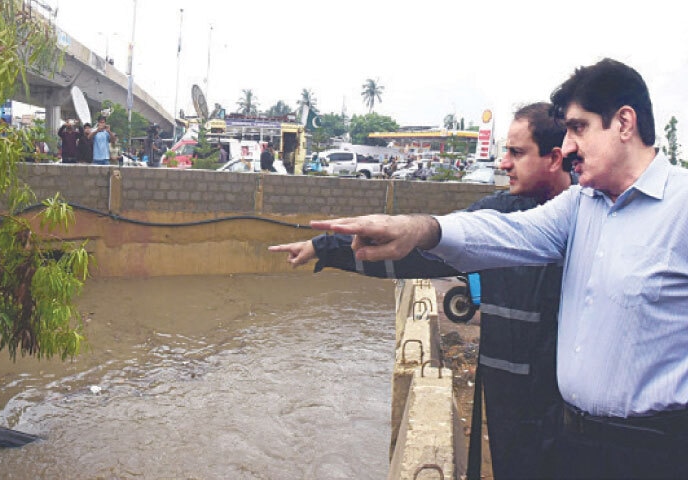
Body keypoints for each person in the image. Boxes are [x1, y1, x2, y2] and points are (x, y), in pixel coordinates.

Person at [295, 58, 688, 479]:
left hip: (655, 452)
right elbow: (502, 233)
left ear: (624, 122)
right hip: (570, 441)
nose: (570, 145)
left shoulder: (681, 210)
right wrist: (420, 229)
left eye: (579, 127)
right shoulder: (580, 206)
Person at [270, 102, 573, 479]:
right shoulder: (498, 219)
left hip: (572, 418)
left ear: (555, 158)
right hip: (509, 410)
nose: (504, 163)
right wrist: (324, 248)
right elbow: (420, 253)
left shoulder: (589, 225)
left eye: (516, 152)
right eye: (504, 152)